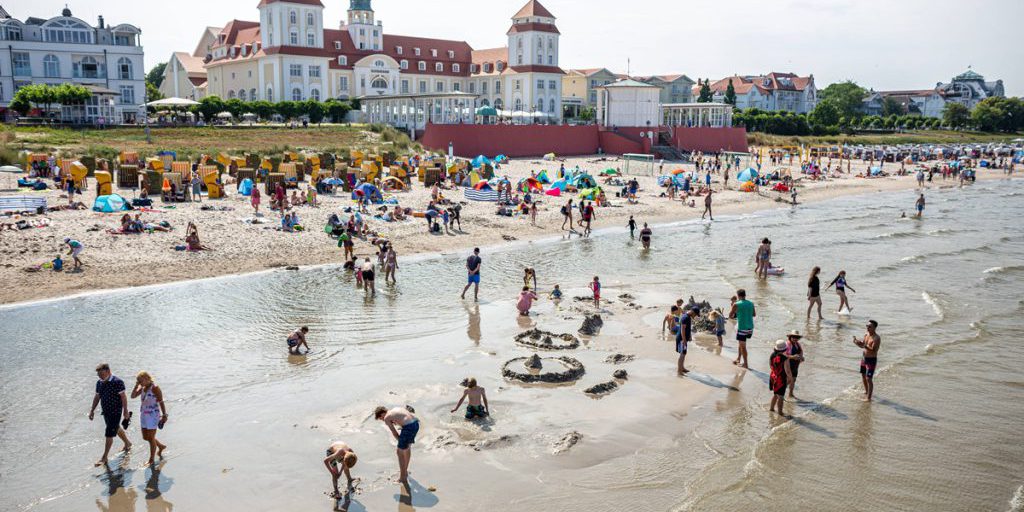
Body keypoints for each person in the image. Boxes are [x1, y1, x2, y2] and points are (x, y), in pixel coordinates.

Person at [89, 363, 132, 466]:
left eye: (102, 374)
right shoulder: (99, 383)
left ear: (108, 371)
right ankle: (127, 443)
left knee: (109, 433)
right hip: (106, 411)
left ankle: (104, 457)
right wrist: (92, 410)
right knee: (116, 428)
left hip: (115, 411)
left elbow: (123, 397)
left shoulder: (117, 382)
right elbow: (97, 396)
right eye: (98, 375)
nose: (100, 377)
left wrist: (125, 411)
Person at [130, 371, 168, 466]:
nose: (140, 383)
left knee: (151, 438)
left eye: (141, 380)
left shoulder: (155, 388)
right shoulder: (143, 388)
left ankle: (151, 459)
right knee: (145, 437)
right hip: (143, 415)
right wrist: (136, 385)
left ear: (147, 378)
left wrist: (164, 415)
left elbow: (161, 402)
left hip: (153, 415)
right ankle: (160, 446)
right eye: (138, 381)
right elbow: (132, 396)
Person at [374, 406, 419, 484]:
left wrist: (400, 441)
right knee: (407, 448)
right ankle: (405, 470)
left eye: (381, 418)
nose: (382, 420)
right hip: (415, 424)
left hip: (408, 427)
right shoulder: (395, 409)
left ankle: (402, 478)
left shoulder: (386, 418)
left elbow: (394, 432)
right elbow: (405, 417)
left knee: (399, 452)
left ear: (382, 414)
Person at [854, 320, 881, 401]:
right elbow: (863, 346)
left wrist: (865, 345)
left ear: (874, 328)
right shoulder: (866, 334)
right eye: (867, 326)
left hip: (871, 360)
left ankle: (868, 398)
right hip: (864, 358)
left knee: (869, 378)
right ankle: (866, 391)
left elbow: (874, 350)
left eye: (870, 326)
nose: (867, 328)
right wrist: (857, 342)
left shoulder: (877, 338)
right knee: (863, 376)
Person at [729, 289, 756, 368]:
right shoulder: (751, 303)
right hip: (750, 328)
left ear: (738, 295)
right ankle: (738, 358)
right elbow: (754, 314)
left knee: (743, 346)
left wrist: (737, 312)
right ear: (745, 295)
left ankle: (746, 364)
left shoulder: (736, 304)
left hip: (742, 328)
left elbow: (730, 315)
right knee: (741, 343)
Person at [768, 340, 789, 415]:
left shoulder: (772, 355)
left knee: (775, 394)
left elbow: (770, 365)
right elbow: (788, 371)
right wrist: (790, 379)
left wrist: (775, 372)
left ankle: (771, 408)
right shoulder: (785, 358)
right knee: (781, 397)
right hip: (781, 379)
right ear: (784, 349)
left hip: (773, 376)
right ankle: (780, 412)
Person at [784, 331, 805, 398]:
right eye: (794, 337)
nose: (795, 339)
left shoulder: (797, 344)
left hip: (795, 365)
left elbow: (801, 351)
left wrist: (801, 357)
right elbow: (784, 355)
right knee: (789, 380)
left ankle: (790, 393)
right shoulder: (787, 344)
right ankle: (781, 393)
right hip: (788, 364)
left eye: (797, 337)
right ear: (790, 337)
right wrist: (792, 357)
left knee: (794, 380)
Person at [676, 307, 697, 374]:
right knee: (682, 354)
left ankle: (682, 367)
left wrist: (690, 336)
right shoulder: (685, 317)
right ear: (692, 312)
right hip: (681, 339)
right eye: (695, 314)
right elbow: (682, 329)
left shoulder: (688, 317)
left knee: (684, 353)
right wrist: (684, 340)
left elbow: (688, 328)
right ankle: (679, 370)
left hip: (684, 339)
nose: (695, 316)